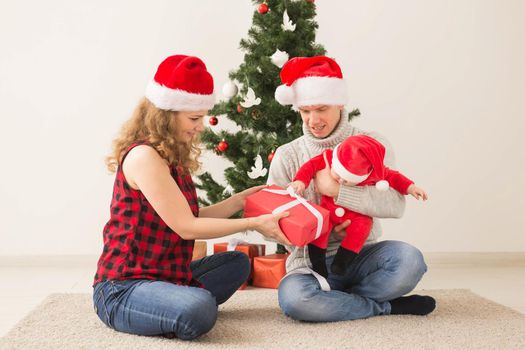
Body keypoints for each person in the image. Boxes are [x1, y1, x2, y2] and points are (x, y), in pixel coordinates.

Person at [93, 54, 291, 340]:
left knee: (237, 263)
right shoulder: (144, 157)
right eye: (194, 118)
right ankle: (176, 305)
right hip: (122, 288)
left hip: (167, 275)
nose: (201, 126)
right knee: (199, 309)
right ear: (167, 114)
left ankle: (170, 303)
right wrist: (255, 223)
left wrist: (240, 201)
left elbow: (192, 216)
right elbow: (186, 227)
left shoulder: (169, 155)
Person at [269, 55, 436, 322]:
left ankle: (339, 302)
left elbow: (395, 205)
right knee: (296, 301)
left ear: (340, 103)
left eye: (321, 108)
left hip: (361, 255)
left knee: (410, 261)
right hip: (310, 265)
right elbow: (270, 229)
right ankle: (384, 306)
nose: (313, 120)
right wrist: (312, 226)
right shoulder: (288, 156)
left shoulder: (370, 145)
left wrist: (337, 191)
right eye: (305, 111)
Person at [289, 134, 428, 277]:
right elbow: (310, 167)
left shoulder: (372, 169)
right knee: (320, 225)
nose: (341, 181)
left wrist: (411, 187)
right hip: (328, 209)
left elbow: (394, 177)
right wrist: (300, 181)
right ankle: (318, 264)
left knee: (363, 226)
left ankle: (342, 262)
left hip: (356, 216)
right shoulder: (328, 157)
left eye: (348, 180)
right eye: (338, 175)